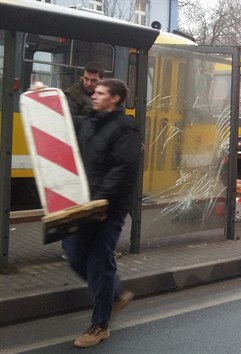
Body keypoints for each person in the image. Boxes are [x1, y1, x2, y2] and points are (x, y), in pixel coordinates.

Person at [62, 78, 141, 348]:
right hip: (86, 204)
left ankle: (100, 325)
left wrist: (101, 203)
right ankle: (114, 294)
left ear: (115, 98)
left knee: (98, 261)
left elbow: (123, 170)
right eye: (94, 92)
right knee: (73, 253)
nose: (94, 96)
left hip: (108, 209)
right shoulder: (90, 123)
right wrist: (41, 97)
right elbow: (65, 118)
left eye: (100, 93)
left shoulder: (125, 129)